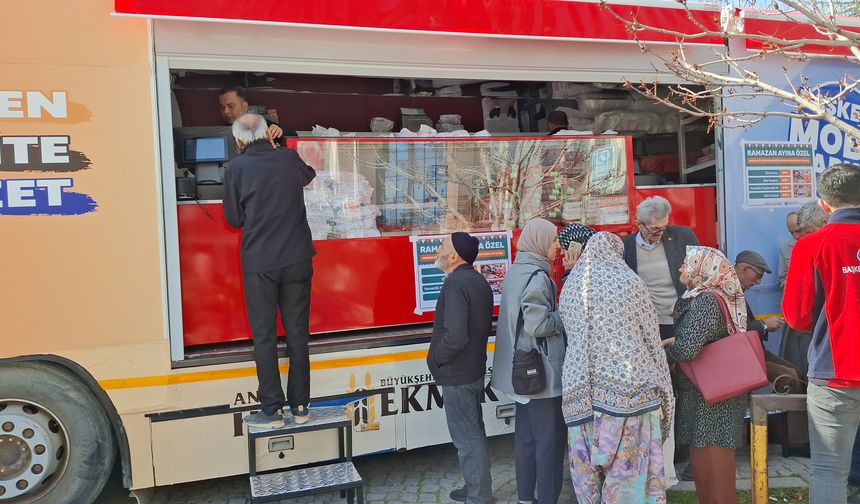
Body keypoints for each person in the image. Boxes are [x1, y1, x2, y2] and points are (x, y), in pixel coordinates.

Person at [560, 231, 674, 503]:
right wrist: (662, 382)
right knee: (628, 474)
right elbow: (649, 334)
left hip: (579, 394)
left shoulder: (572, 284)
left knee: (585, 474)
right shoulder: (630, 282)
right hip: (628, 391)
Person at [223, 114, 317, 429]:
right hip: (297, 259)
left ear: (238, 141)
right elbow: (309, 175)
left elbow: (234, 220)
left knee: (264, 337)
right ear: (268, 134)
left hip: (260, 264)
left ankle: (272, 411)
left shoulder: (235, 169)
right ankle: (301, 406)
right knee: (297, 336)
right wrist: (281, 147)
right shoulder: (288, 158)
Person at [782, 163, 860, 504]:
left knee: (829, 470)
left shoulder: (811, 246)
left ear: (824, 205)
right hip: (835, 375)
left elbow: (797, 318)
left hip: (835, 372)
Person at [665, 246, 749, 504]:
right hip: (709, 396)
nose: (681, 268)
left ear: (702, 270)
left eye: (686, 263)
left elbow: (688, 347)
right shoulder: (708, 297)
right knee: (708, 471)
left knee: (714, 474)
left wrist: (665, 353)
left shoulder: (707, 301)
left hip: (711, 401)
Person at [491, 218, 566, 504]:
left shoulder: (516, 270)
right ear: (539, 241)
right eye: (553, 240)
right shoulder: (537, 275)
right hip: (541, 374)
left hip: (519, 371)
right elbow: (537, 325)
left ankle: (525, 498)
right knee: (549, 443)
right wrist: (565, 316)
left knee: (525, 439)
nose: (557, 246)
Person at [427, 232, 495, 504]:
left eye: (443, 245)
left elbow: (455, 337)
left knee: (467, 438)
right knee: (473, 432)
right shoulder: (478, 280)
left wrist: (435, 360)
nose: (438, 249)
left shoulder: (455, 284)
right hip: (473, 369)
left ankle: (479, 496)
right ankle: (475, 487)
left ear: (454, 256)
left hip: (458, 372)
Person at [622, 196, 700, 340]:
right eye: (655, 229)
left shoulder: (682, 236)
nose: (661, 233)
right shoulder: (626, 246)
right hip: (648, 321)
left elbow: (701, 273)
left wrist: (684, 298)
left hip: (685, 315)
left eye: (664, 227)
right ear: (639, 224)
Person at [734, 251, 805, 394]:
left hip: (753, 351)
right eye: (758, 276)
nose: (758, 282)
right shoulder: (728, 292)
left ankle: (793, 414)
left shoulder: (736, 290)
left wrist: (765, 326)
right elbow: (732, 331)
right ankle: (789, 415)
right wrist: (764, 325)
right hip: (740, 356)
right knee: (788, 377)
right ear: (744, 268)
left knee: (796, 372)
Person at [218, 86, 296, 147]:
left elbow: (294, 136)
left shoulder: (263, 125)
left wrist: (280, 132)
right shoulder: (219, 132)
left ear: (244, 106)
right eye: (222, 107)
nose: (226, 111)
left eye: (230, 106)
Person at [777, 211, 800, 290]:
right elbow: (782, 279)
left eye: (798, 231)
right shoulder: (784, 248)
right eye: (791, 232)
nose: (796, 236)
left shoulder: (818, 244)